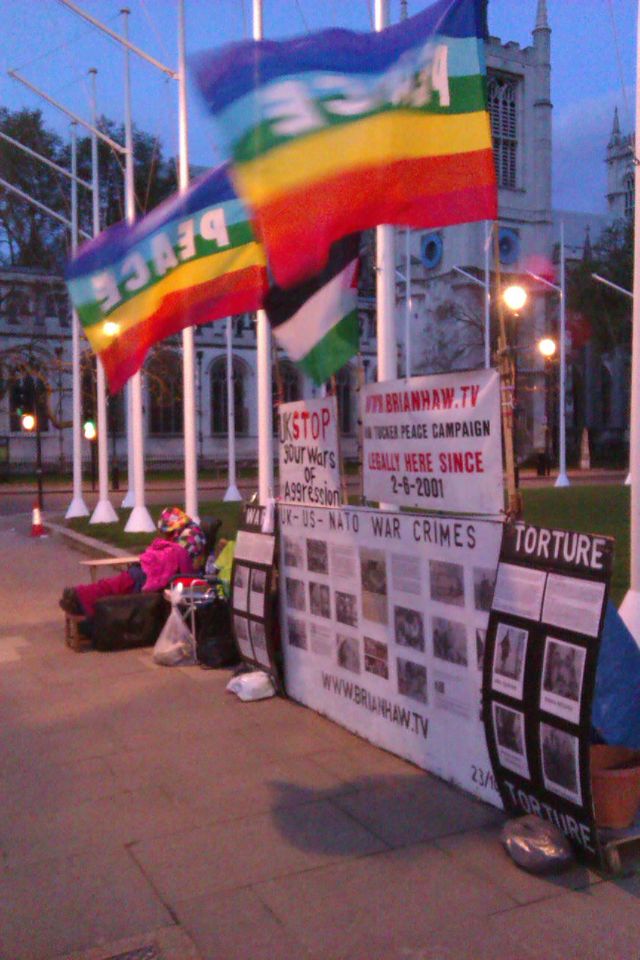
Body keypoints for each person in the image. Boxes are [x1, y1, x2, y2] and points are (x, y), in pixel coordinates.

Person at [59, 506, 207, 621]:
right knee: (115, 585)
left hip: (159, 576)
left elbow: (175, 557)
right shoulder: (187, 533)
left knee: (116, 585)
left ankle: (80, 596)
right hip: (155, 572)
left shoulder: (191, 536)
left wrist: (152, 558)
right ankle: (80, 596)